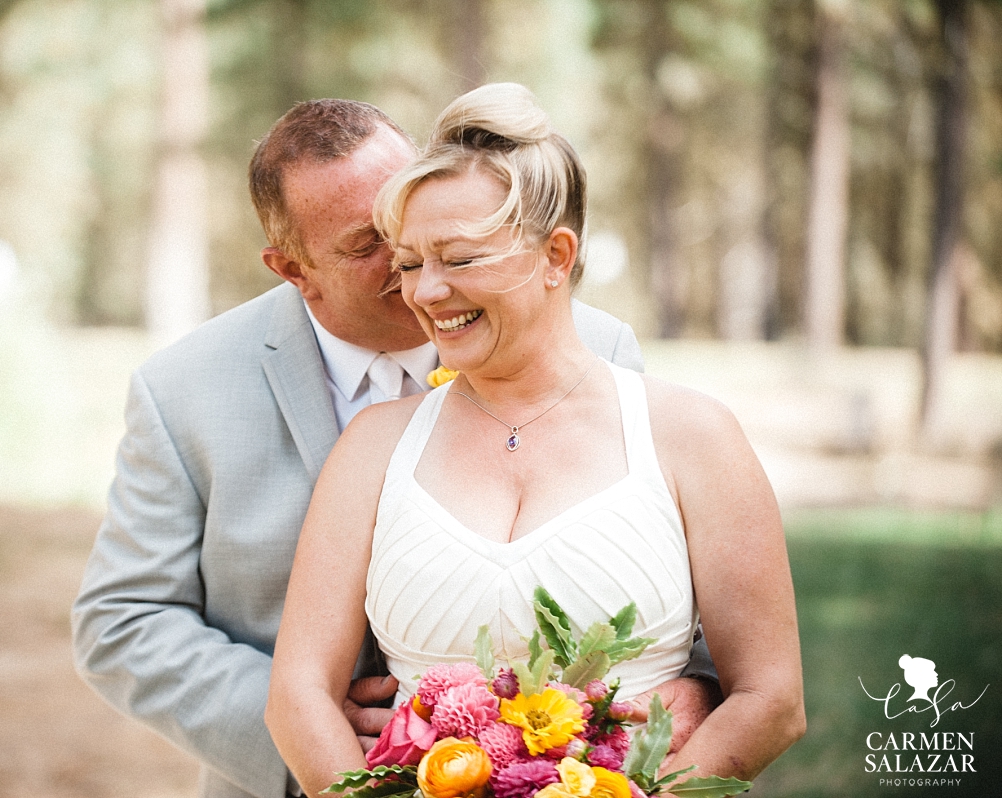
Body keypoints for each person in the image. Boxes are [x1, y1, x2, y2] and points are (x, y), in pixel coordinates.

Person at [72, 97, 714, 798]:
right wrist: (308, 727)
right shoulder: (185, 392)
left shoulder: (596, 346)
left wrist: (701, 688)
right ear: (293, 269)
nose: (410, 254)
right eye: (365, 243)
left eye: (402, 210)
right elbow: (123, 619)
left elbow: (664, 562)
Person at [264, 83, 805, 797]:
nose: (424, 293)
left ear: (555, 255)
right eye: (408, 263)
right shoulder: (373, 446)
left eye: (458, 259)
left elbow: (772, 700)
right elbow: (297, 694)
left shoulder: (691, 436)